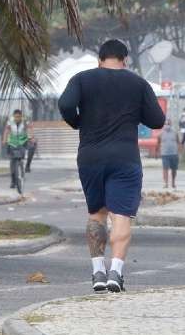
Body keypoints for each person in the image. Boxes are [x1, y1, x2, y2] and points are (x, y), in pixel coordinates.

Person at [58, 39, 165, 293]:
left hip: (90, 157)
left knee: (96, 214)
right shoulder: (138, 83)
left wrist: (78, 122)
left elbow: (64, 104)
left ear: (100, 60)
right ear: (125, 60)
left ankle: (97, 271)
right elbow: (157, 119)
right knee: (121, 215)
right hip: (125, 158)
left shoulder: (82, 79)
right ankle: (116, 271)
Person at [2, 109, 36, 188]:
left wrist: (32, 137)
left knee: (32, 146)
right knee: (12, 162)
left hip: (23, 141)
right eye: (15, 117)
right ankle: (13, 181)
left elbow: (30, 128)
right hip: (12, 143)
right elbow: (6, 131)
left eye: (19, 117)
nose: (17, 118)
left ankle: (27, 166)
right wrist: (4, 140)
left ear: (21, 116)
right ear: (13, 116)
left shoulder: (25, 121)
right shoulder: (10, 121)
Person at [159, 119, 179, 189]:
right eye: (166, 124)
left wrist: (179, 151)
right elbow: (158, 143)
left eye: (168, 124)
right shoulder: (161, 133)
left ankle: (173, 182)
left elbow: (178, 142)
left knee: (174, 169)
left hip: (174, 153)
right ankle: (166, 183)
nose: (167, 126)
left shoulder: (175, 132)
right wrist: (157, 152)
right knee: (165, 169)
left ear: (171, 124)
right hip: (165, 154)